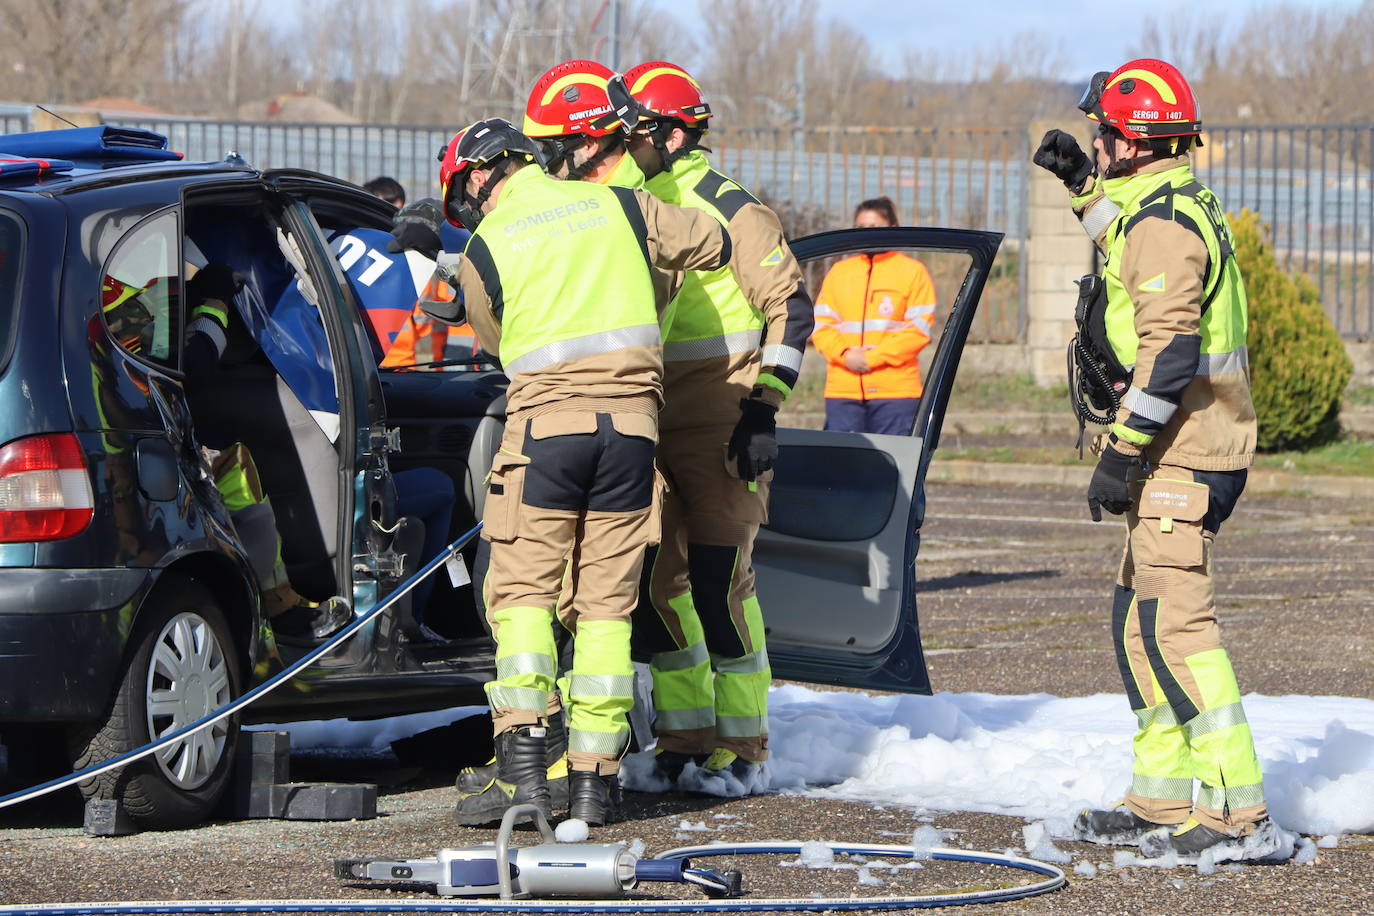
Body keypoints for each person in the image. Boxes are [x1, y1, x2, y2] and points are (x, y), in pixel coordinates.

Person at [434, 118, 730, 826]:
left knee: (525, 598)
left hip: (545, 435)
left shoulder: (485, 246)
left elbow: (497, 339)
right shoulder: (619, 205)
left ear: (477, 177)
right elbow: (714, 243)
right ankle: (597, 783)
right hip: (632, 434)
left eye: (461, 195)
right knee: (606, 605)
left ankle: (528, 774)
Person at [1034, 58, 1280, 861]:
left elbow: (1169, 354)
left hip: (1183, 451)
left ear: (1133, 146)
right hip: (1172, 452)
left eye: (1102, 133)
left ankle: (1239, 816)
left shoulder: (1166, 223)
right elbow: (1127, 255)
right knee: (1136, 627)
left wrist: (1121, 454)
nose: (1095, 141)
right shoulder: (1157, 206)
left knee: (1178, 631)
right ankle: (1163, 797)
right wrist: (1081, 192)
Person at [614, 61, 813, 786]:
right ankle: (685, 736)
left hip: (722, 414)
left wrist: (764, 406)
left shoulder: (727, 204)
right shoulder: (623, 201)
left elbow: (793, 309)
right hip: (646, 414)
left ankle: (745, 746)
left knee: (718, 587)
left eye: (633, 129)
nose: (621, 140)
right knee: (654, 589)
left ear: (669, 132)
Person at [181, 263, 351, 643]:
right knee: (242, 482)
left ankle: (275, 604)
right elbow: (195, 364)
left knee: (240, 482)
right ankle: (276, 610)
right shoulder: (125, 297)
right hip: (140, 431)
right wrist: (213, 303)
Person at [810, 197, 935, 435]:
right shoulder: (839, 272)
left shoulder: (912, 272)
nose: (867, 234)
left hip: (895, 391)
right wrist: (845, 355)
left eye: (875, 227)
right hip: (843, 391)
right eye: (861, 228)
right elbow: (821, 326)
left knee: (893, 467)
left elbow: (918, 331)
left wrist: (872, 358)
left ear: (893, 228)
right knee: (842, 466)